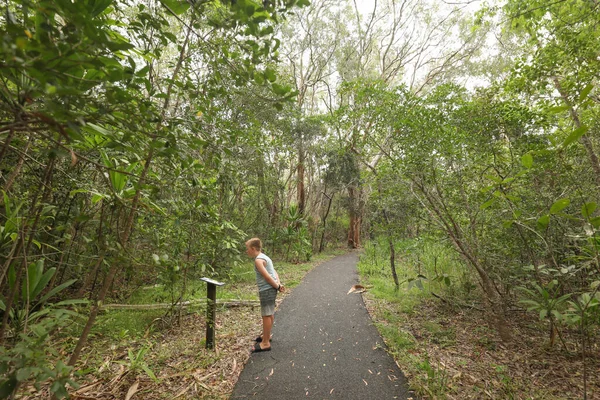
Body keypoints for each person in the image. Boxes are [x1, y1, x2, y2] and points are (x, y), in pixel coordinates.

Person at [245, 237, 284, 352]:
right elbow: (274, 272)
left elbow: (267, 276)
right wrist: (278, 284)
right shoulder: (265, 257)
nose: (246, 251)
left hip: (267, 289)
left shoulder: (258, 260)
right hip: (271, 288)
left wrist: (277, 286)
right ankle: (267, 336)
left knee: (266, 315)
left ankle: (265, 343)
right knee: (269, 313)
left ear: (253, 248)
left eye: (247, 249)